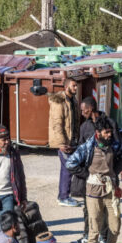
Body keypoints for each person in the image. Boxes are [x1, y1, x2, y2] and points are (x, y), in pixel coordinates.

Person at [66, 117, 122, 243]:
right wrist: (87, 175)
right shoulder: (87, 147)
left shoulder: (115, 145)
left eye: (110, 132)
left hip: (111, 189)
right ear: (98, 133)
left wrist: (114, 171)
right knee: (94, 228)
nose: (110, 135)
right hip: (93, 190)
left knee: (115, 226)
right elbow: (70, 163)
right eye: (106, 132)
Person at [48, 78, 80, 207]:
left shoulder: (73, 100)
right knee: (69, 167)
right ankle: (64, 197)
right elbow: (57, 124)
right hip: (64, 142)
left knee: (66, 168)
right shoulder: (59, 101)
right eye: (73, 86)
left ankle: (63, 195)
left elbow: (74, 121)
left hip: (71, 141)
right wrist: (61, 143)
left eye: (76, 86)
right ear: (66, 87)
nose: (76, 88)